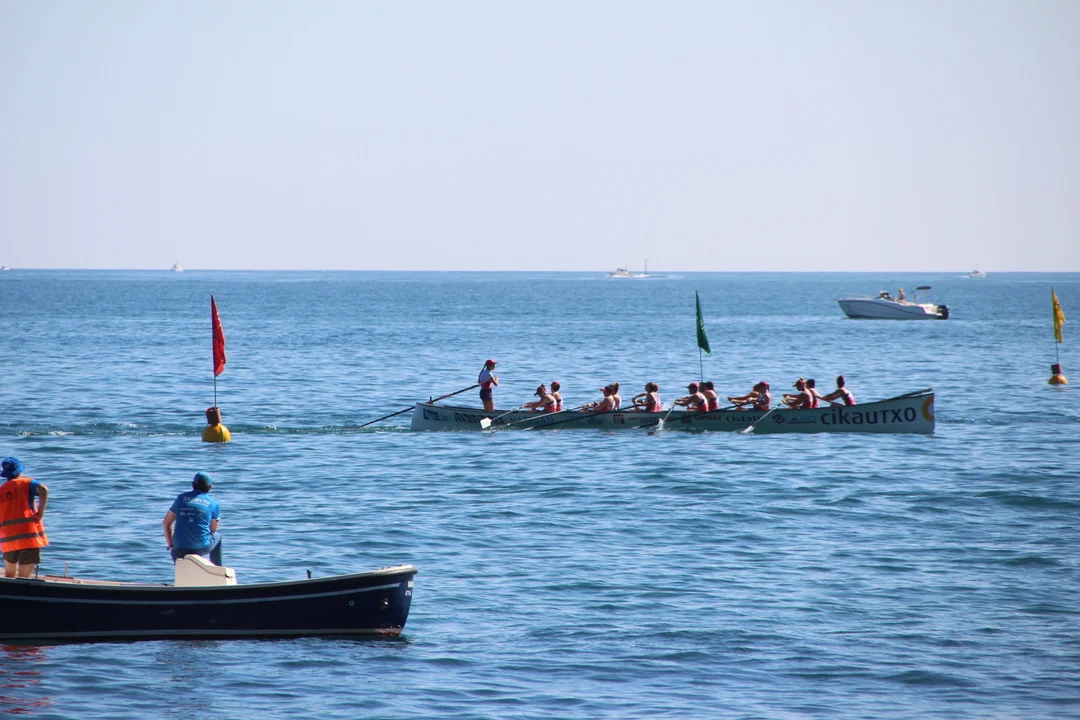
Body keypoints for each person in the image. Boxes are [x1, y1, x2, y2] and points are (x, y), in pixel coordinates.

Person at [0, 457, 48, 578]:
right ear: (19, 471)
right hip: (28, 536)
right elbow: (43, 489)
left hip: (8, 538)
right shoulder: (27, 483)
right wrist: (41, 512)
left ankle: (8, 590)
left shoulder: (2, 490)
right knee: (24, 576)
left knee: (9, 574)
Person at [163, 471, 222, 566]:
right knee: (217, 536)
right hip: (200, 548)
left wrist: (171, 546)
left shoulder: (180, 498)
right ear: (210, 487)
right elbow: (213, 529)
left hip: (179, 549)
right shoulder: (214, 504)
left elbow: (166, 523)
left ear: (192, 484)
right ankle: (217, 569)